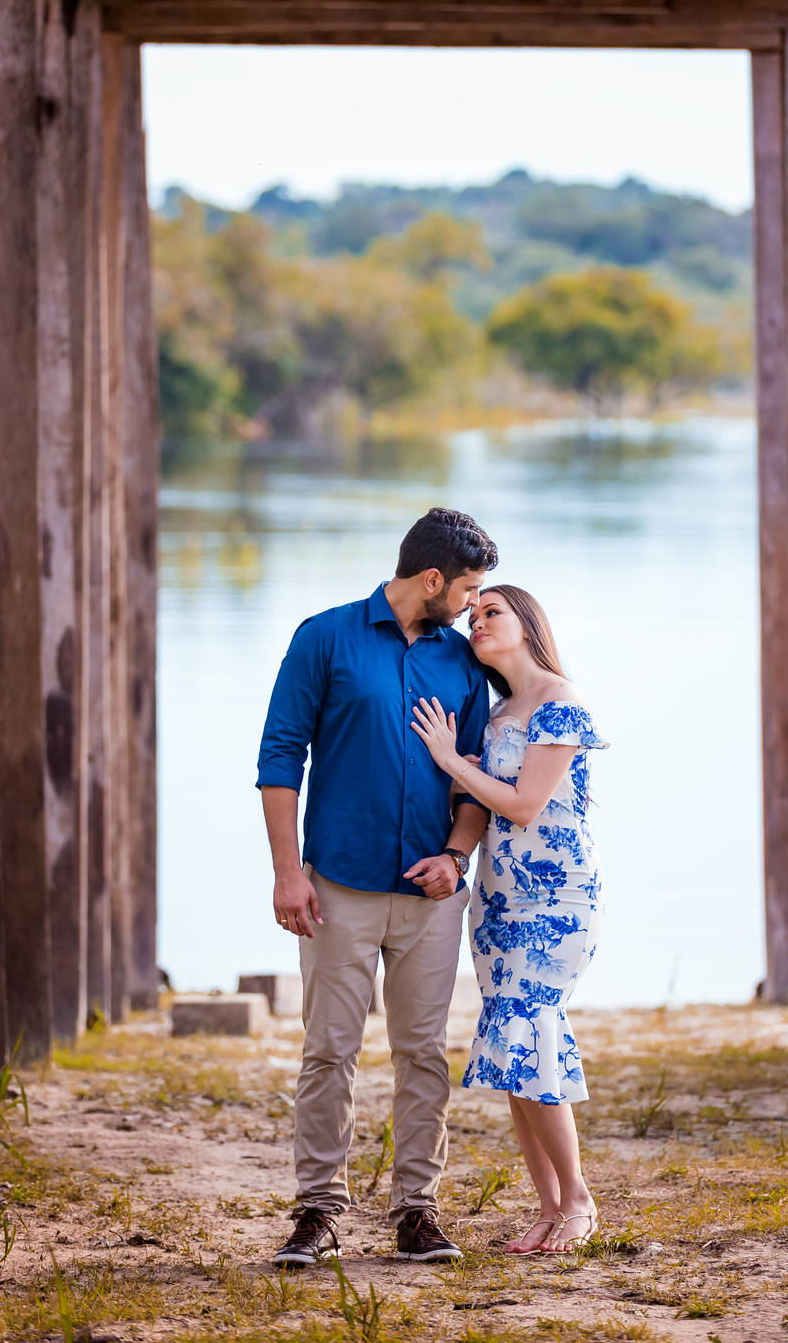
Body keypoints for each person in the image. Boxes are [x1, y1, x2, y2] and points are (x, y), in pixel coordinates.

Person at [257, 507, 498, 1269]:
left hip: (431, 894)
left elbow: (477, 780)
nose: (469, 603)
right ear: (431, 579)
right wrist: (287, 873)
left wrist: (456, 858)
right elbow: (278, 757)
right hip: (338, 886)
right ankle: (316, 1212)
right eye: (466, 588)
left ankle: (416, 1213)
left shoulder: (461, 664)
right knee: (329, 1051)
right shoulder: (322, 637)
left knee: (423, 1053)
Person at [410, 584, 607, 1256]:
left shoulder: (560, 702)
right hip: (498, 900)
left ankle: (579, 1198)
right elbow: (482, 802)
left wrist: (448, 762)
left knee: (530, 1026)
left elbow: (523, 805)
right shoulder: (496, 718)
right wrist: (460, 771)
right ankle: (550, 1208)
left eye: (492, 611)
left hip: (560, 899)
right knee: (511, 1045)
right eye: (473, 616)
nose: (478, 623)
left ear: (527, 623)